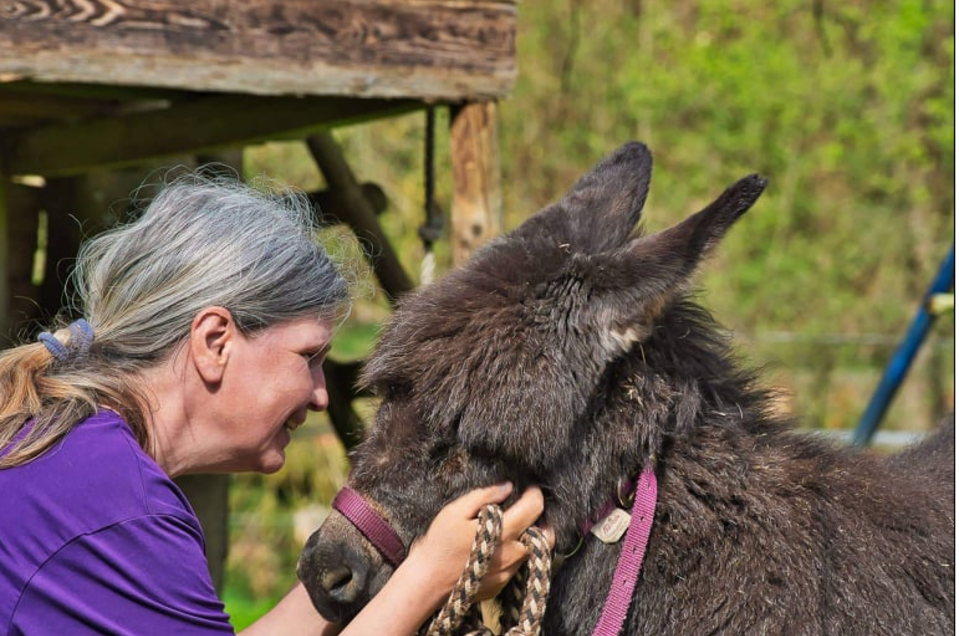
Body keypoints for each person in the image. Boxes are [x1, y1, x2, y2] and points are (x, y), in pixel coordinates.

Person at [0, 174, 548, 636]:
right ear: (215, 342)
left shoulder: (68, 456)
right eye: (308, 355)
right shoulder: (118, 511)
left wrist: (387, 559)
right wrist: (432, 577)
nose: (320, 394)